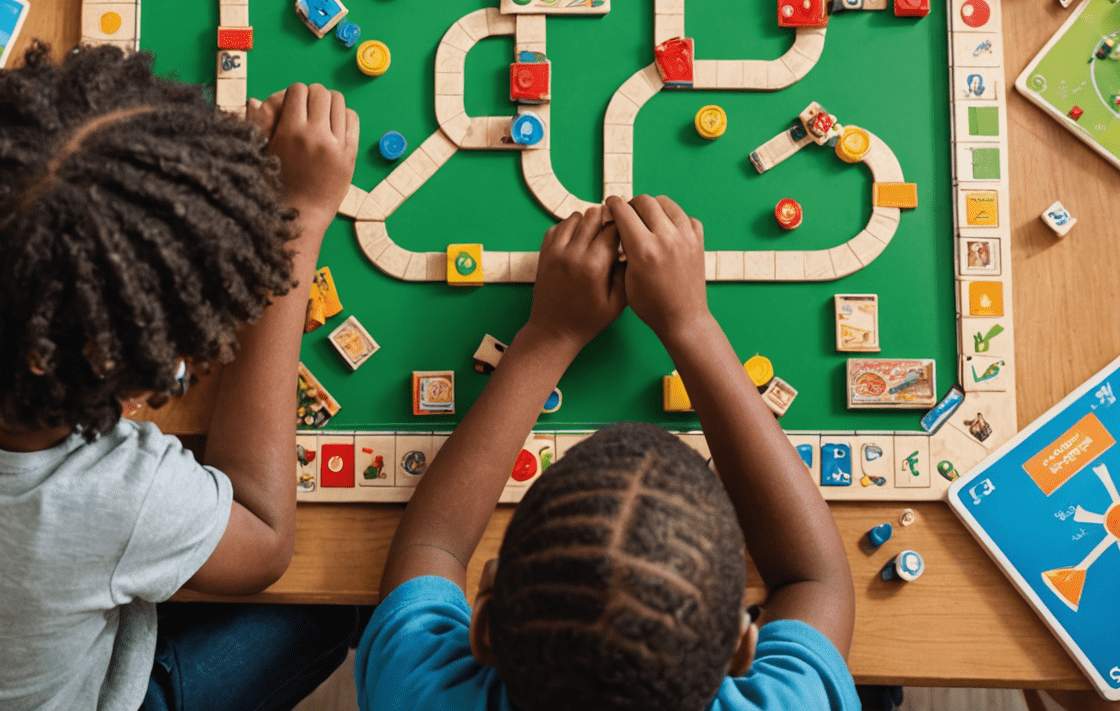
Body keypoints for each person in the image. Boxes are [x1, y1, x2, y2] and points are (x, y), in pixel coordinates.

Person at [0, 43, 362, 711]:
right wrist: (297, 221)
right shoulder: (123, 496)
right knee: (331, 606)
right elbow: (264, 540)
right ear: (143, 392)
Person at [357, 194, 857, 711]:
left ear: (485, 624)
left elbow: (434, 543)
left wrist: (551, 333)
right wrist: (689, 323)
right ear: (740, 647)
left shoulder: (416, 695)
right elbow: (814, 578)